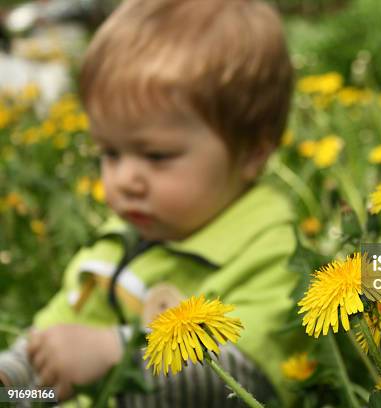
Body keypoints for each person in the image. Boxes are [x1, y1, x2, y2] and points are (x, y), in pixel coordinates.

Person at [0, 0, 298, 406]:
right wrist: (11, 382)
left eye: (156, 156)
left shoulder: (270, 250)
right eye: (109, 153)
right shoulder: (113, 245)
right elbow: (46, 364)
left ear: (252, 154)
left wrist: (117, 354)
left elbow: (245, 373)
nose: (123, 180)